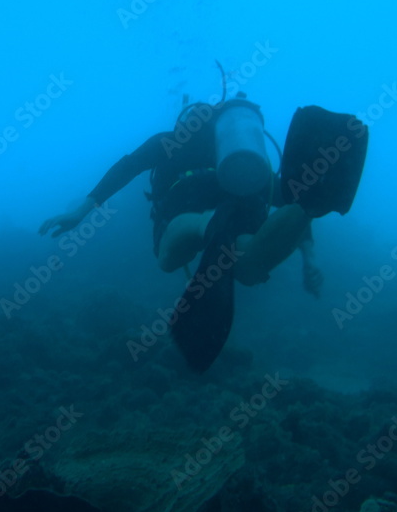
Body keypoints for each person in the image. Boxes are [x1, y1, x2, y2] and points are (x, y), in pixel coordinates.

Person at [40, 94, 368, 372]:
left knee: (169, 258)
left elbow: (126, 168)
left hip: (186, 201)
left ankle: (205, 223)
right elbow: (285, 196)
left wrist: (78, 213)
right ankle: (308, 206)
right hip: (241, 205)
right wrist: (309, 258)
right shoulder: (241, 161)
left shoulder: (169, 141)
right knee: (250, 266)